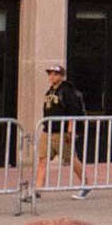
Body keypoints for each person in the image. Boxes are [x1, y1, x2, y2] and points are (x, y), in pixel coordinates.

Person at [41, 62, 91, 199]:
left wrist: (70, 132)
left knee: (72, 159)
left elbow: (73, 112)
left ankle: (85, 184)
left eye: (55, 74)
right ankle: (37, 190)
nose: (52, 76)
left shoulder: (67, 91)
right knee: (42, 159)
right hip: (48, 130)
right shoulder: (50, 91)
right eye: (50, 73)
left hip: (61, 131)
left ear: (61, 76)